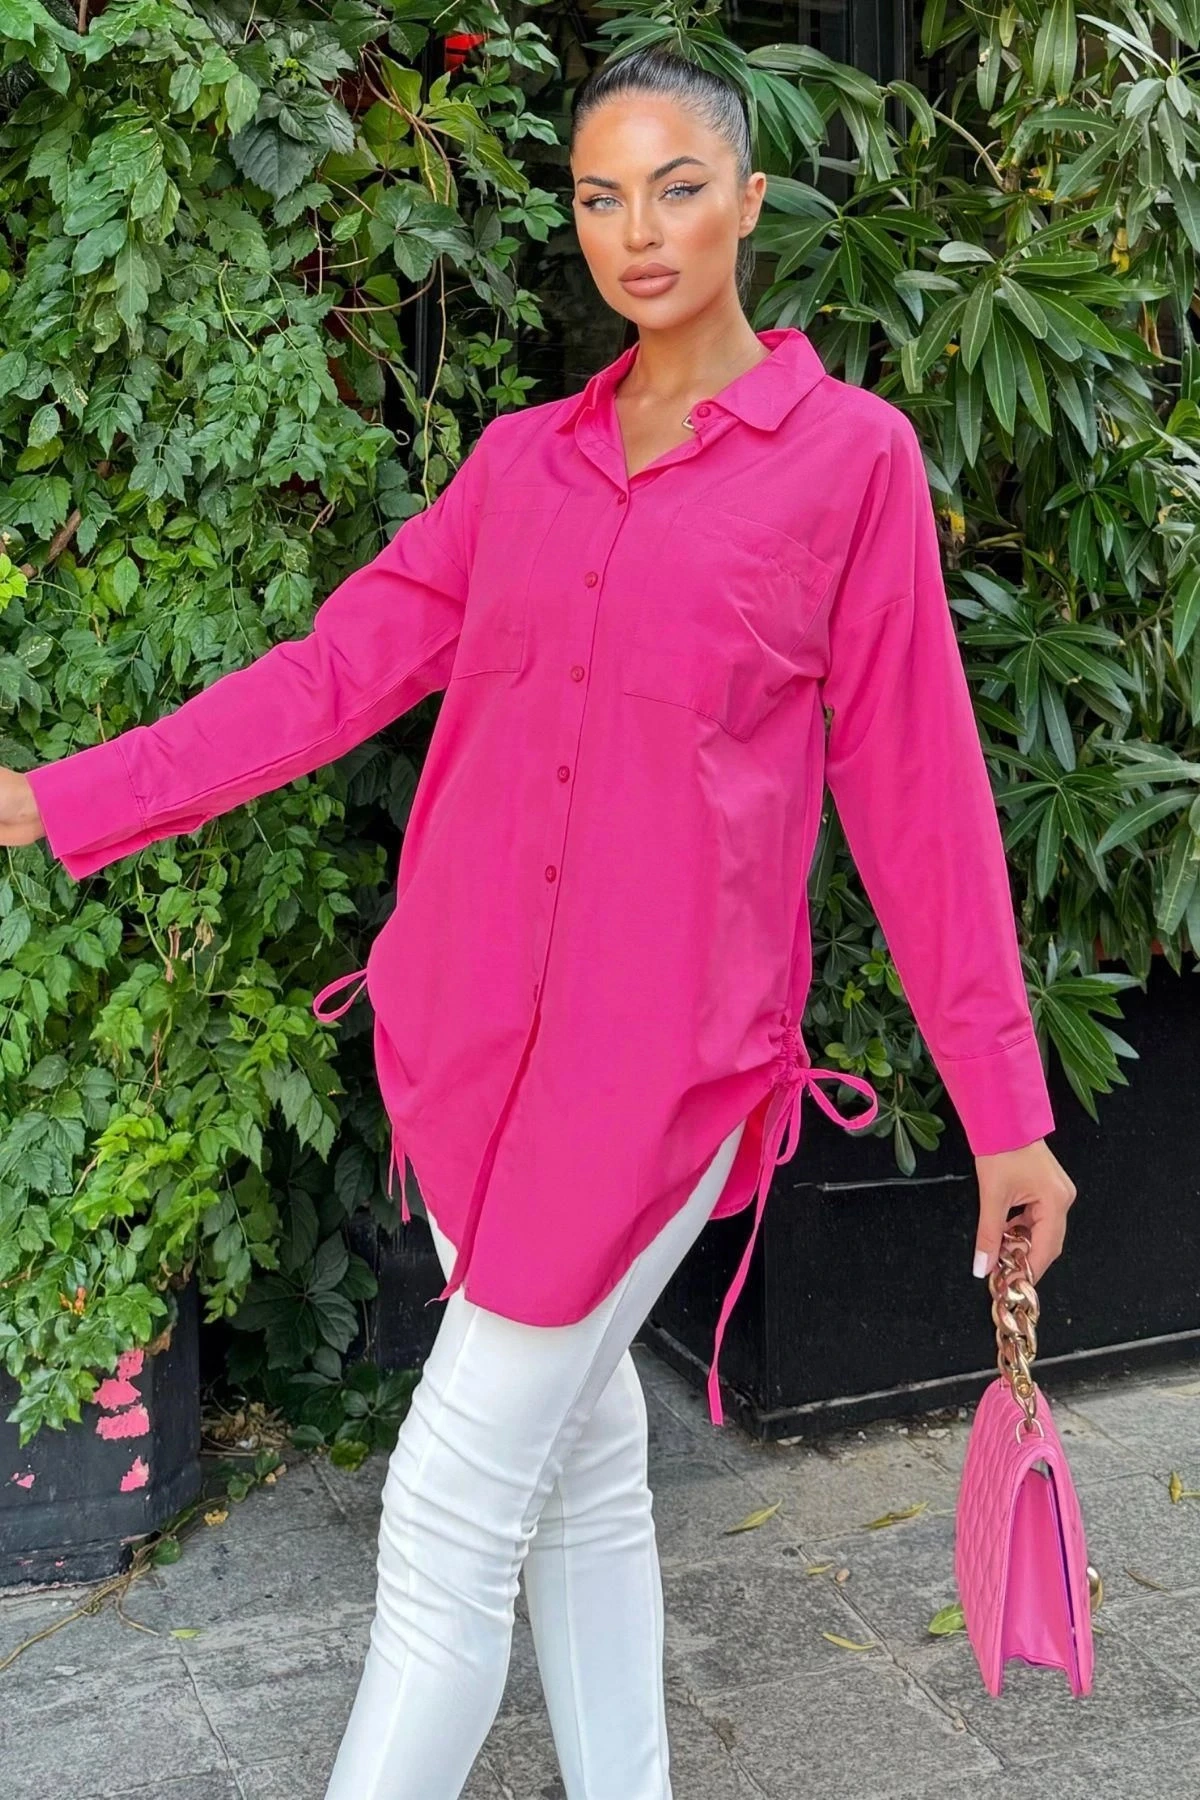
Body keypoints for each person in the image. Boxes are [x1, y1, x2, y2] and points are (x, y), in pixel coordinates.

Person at [0, 44, 1076, 1800]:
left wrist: (1007, 1115)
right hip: (465, 1047)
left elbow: (923, 806)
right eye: (599, 196)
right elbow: (330, 675)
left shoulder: (848, 463)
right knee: (581, 1468)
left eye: (676, 188)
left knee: (444, 1508)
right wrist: (62, 798)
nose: (637, 231)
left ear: (748, 201)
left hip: (659, 1079)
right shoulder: (520, 467)